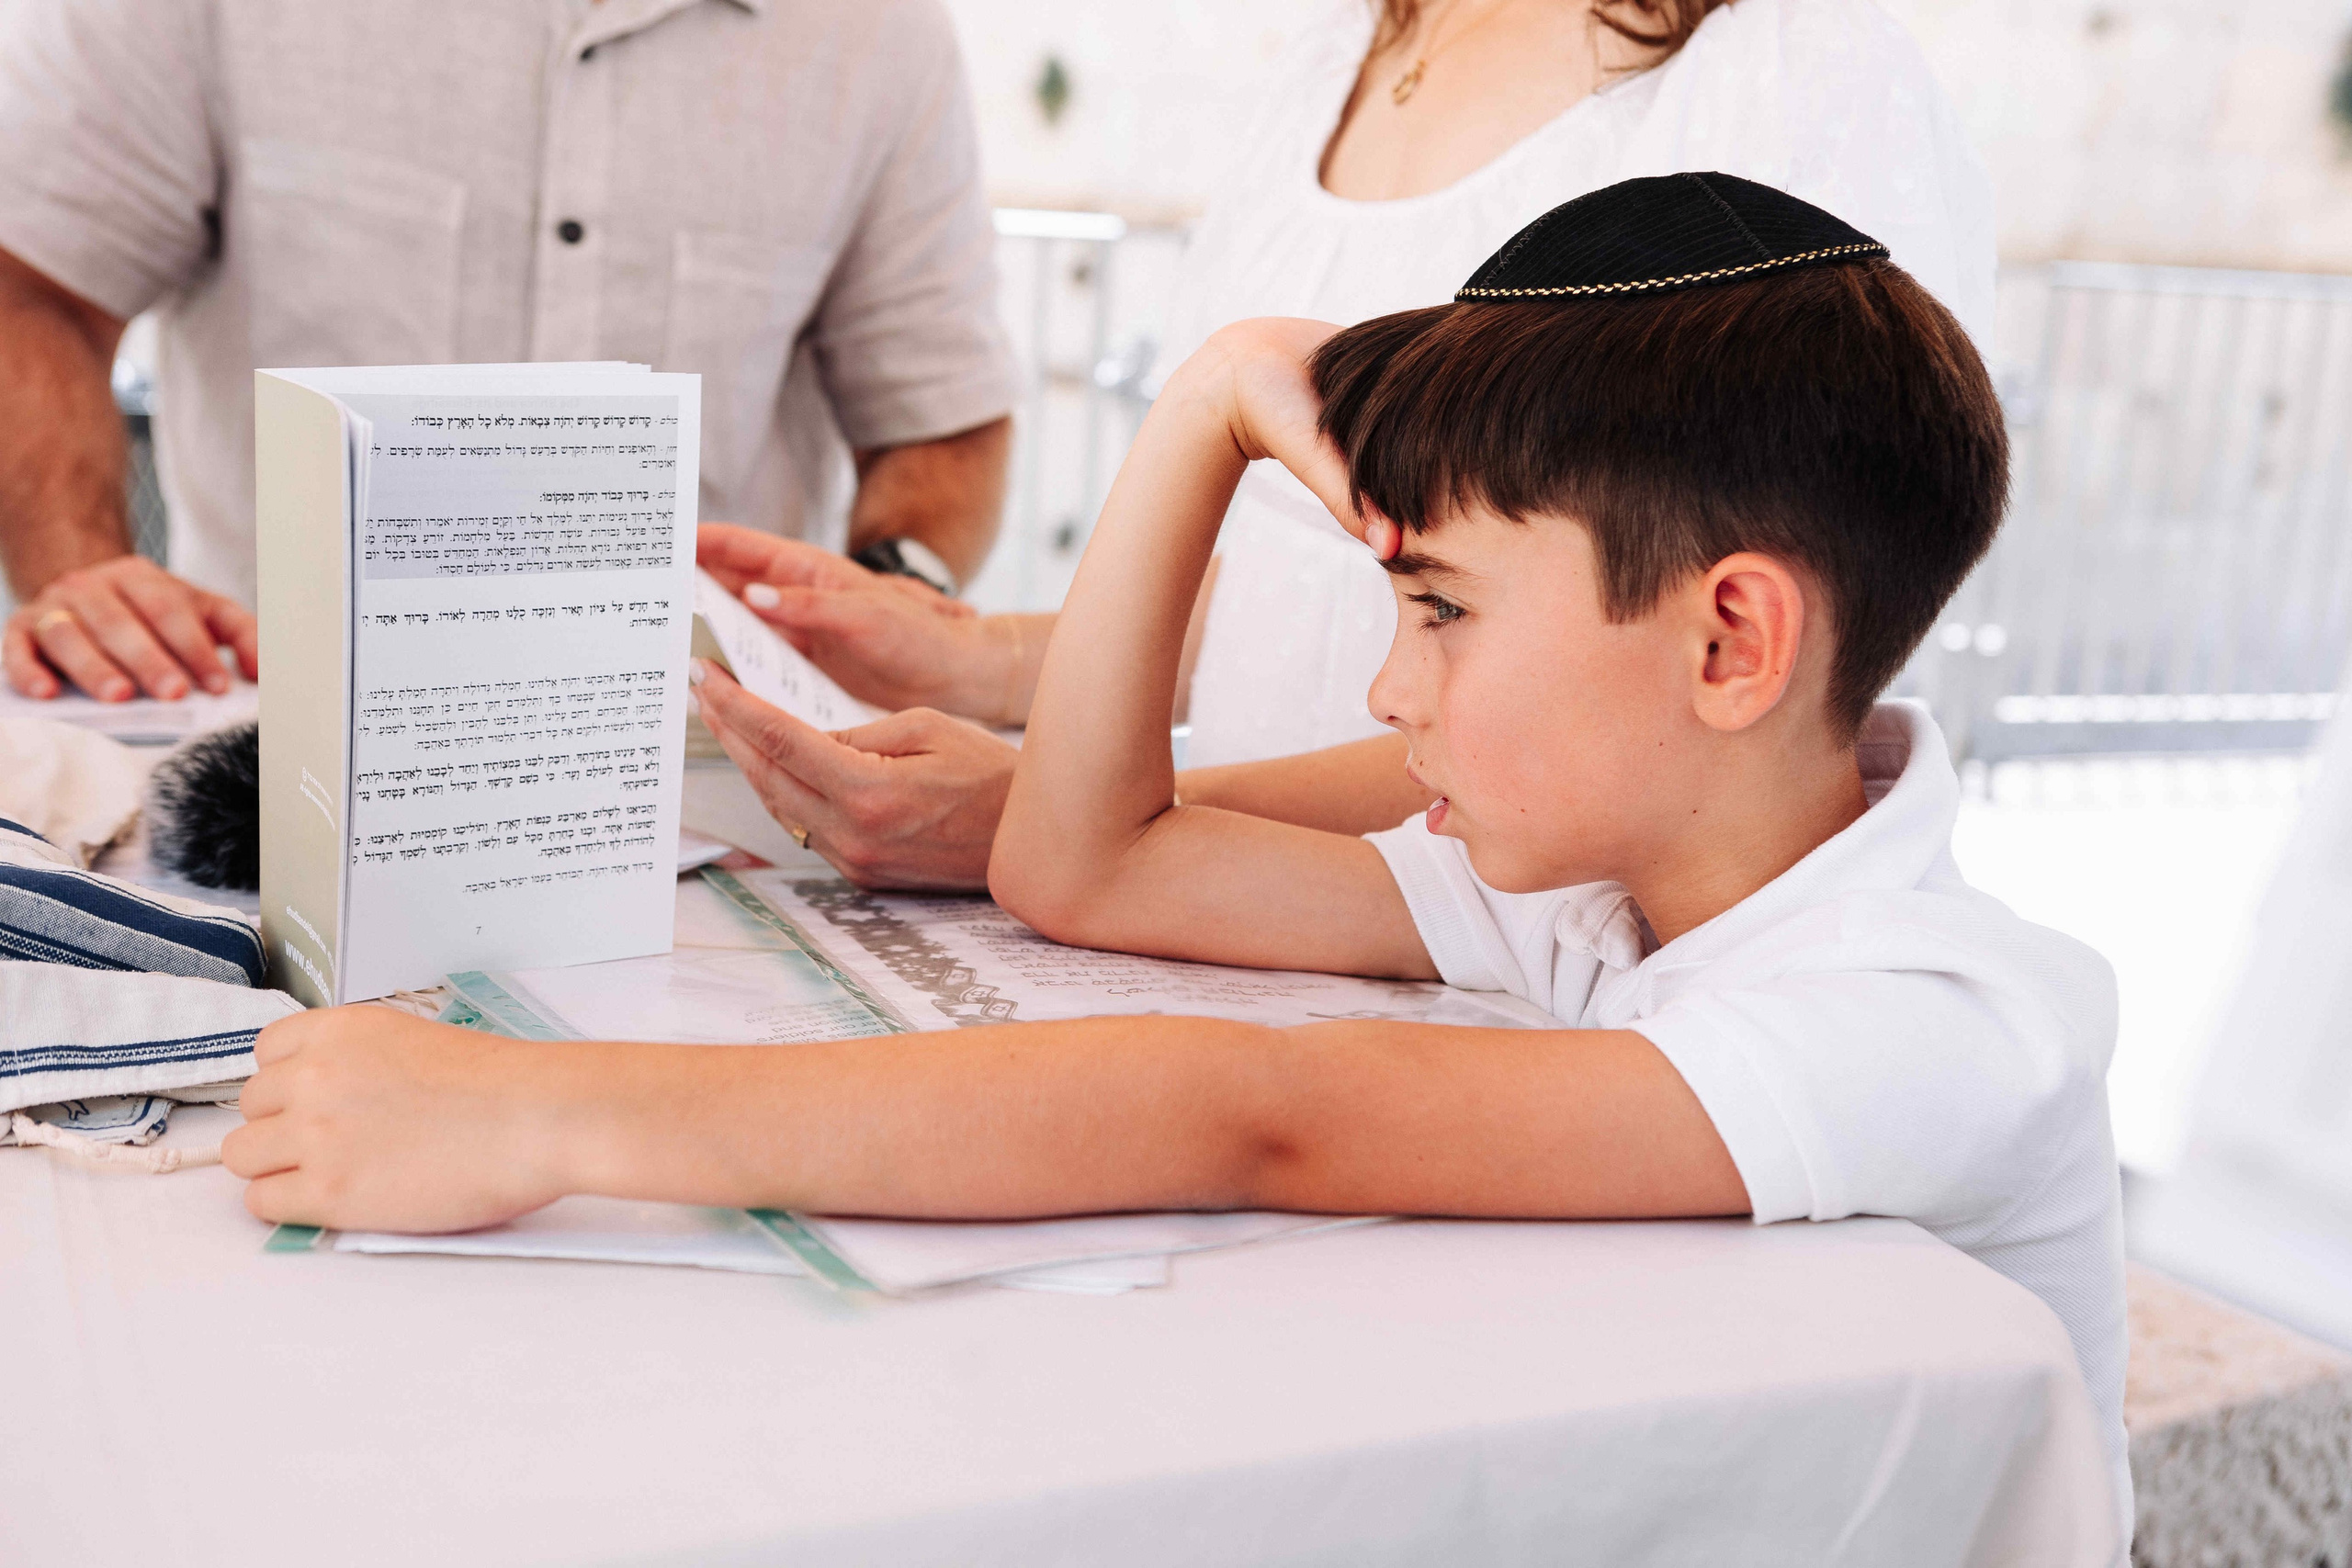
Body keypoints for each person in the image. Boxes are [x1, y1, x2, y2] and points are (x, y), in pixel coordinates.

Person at [222, 176, 2130, 1535]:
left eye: (1445, 612)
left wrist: (542, 1116)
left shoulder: (1933, 1015)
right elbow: (1093, 864)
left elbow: (1248, 1107)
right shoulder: (1598, 874)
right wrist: (1206, 405)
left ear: (1725, 644)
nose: (1391, 686)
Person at [686, 0, 1996, 889]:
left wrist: (1081, 814)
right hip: (1251, 910)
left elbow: (1700, 697)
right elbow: (1286, 570)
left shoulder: (1796, 70)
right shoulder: (1337, 56)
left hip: (1530, 941)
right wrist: (982, 659)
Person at [0, 0, 1014, 704]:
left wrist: (894, 586)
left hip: (700, 777)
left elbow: (939, 418)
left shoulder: (881, 40)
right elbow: (31, 290)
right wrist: (86, 577)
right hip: (258, 742)